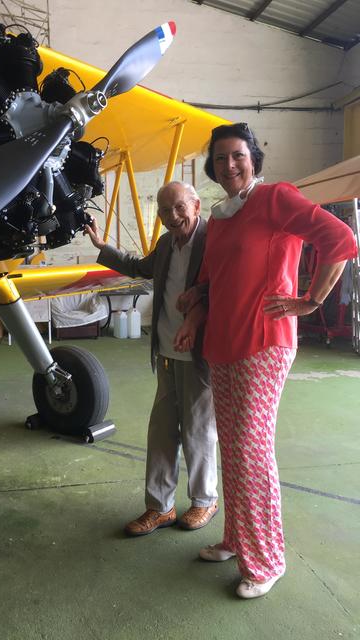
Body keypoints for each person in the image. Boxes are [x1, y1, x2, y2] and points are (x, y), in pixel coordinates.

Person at [174, 123, 357, 598]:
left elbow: (339, 240)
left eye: (237, 155)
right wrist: (196, 297)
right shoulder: (219, 215)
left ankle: (267, 559)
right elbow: (214, 276)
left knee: (251, 450)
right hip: (223, 341)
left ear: (253, 157)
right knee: (232, 447)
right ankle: (237, 539)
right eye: (219, 159)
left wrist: (311, 299)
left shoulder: (276, 198)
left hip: (264, 342)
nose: (228, 165)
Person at [84, 181, 218, 536]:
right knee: (161, 429)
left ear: (196, 205)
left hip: (199, 352)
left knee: (198, 430)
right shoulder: (165, 243)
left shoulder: (213, 240)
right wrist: (102, 247)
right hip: (167, 350)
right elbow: (140, 267)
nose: (171, 217)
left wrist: (199, 298)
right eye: (163, 210)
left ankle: (204, 500)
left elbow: (224, 284)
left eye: (178, 208)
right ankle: (160, 507)